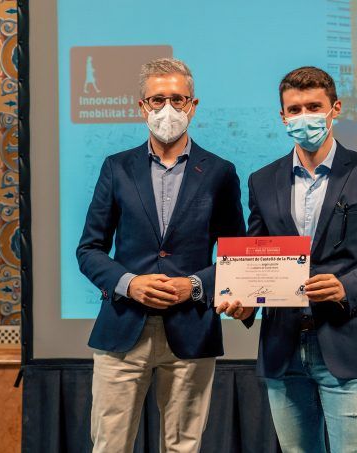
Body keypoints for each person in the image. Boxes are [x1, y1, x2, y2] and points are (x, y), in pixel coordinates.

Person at [217, 66, 357, 452]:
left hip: (348, 344)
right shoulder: (262, 180)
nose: (303, 116)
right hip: (283, 348)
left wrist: (346, 286)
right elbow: (255, 256)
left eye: (313, 107)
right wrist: (245, 303)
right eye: (294, 109)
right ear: (283, 116)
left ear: (334, 109)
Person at [77, 57, 245, 453]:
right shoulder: (116, 168)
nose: (167, 109)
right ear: (142, 107)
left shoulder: (220, 172)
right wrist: (130, 283)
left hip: (192, 330)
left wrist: (195, 285)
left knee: (183, 447)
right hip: (123, 328)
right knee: (109, 446)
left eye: (177, 99)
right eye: (157, 100)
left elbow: (237, 255)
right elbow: (89, 249)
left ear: (193, 105)